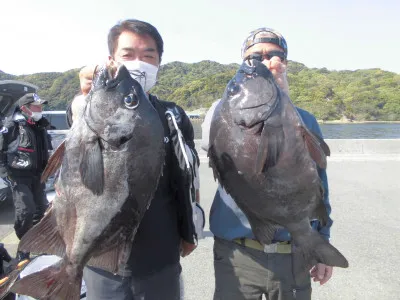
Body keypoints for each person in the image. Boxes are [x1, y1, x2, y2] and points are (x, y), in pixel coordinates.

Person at [202, 28, 333, 300]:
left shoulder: (305, 120)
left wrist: (323, 241)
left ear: (284, 63)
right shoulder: (223, 111)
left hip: (293, 252)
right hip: (237, 253)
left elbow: (319, 184)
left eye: (274, 55)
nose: (264, 61)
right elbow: (210, 137)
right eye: (254, 57)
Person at [74, 19, 201, 300]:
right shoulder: (91, 109)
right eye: (128, 55)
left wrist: (189, 228)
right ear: (111, 61)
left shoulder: (173, 115)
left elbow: (188, 176)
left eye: (148, 56)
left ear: (158, 64)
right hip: (101, 260)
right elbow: (79, 126)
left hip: (161, 259)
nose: (139, 63)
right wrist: (85, 95)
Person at [0, 89, 52, 261]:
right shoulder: (11, 127)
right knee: (26, 211)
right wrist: (6, 174)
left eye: (40, 107)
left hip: (39, 176)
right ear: (25, 108)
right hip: (19, 176)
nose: (40, 110)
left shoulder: (40, 125)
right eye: (36, 107)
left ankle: (38, 245)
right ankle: (23, 248)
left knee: (41, 211)